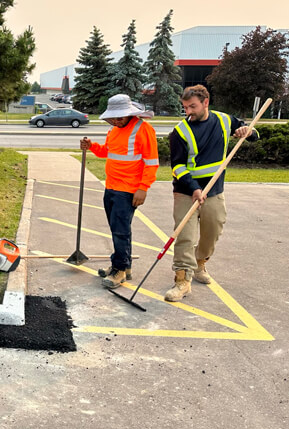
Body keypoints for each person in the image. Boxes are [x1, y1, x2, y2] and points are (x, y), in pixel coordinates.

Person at [164, 85, 260, 302]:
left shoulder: (225, 120)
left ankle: (200, 264)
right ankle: (182, 280)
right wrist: (194, 188)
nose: (189, 111)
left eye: (193, 106)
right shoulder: (180, 132)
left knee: (213, 231)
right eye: (186, 107)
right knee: (185, 236)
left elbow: (252, 133)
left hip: (214, 191)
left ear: (206, 102)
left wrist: (248, 131)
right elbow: (177, 167)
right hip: (186, 191)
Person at [80, 94, 159, 289]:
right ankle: (124, 265)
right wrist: (92, 147)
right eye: (113, 118)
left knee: (120, 231)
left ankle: (119, 270)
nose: (116, 121)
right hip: (111, 187)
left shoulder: (143, 130)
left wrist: (143, 188)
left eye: (119, 118)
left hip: (129, 190)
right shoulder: (114, 130)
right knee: (118, 230)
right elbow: (108, 151)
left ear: (129, 113)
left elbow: (151, 162)